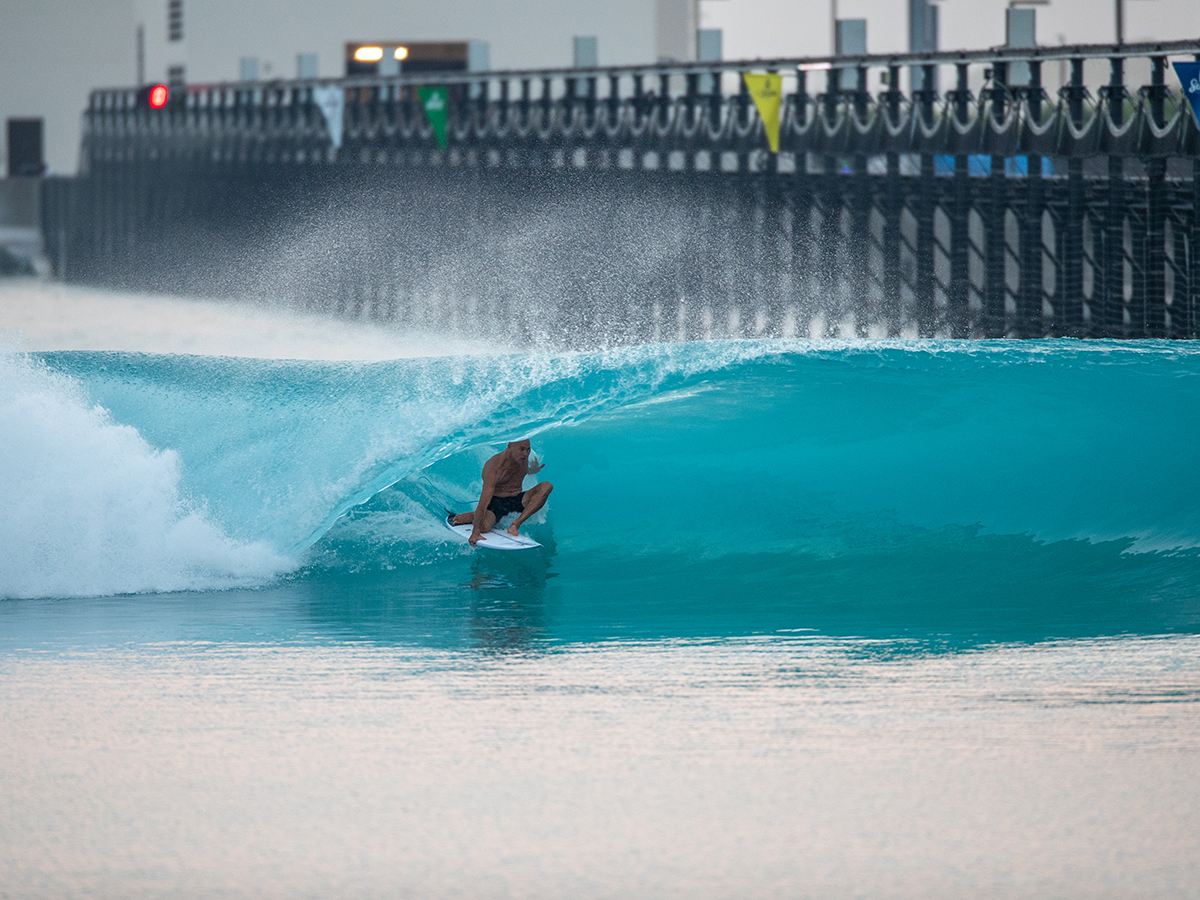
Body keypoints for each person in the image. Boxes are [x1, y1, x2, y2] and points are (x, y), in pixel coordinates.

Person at [448, 439, 553, 546]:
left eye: (528, 449)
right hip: (496, 503)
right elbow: (483, 502)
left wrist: (534, 470)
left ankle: (515, 524)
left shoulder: (522, 458)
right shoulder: (495, 468)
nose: (525, 454)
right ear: (509, 446)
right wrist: (475, 531)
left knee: (546, 486)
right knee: (485, 527)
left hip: (517, 499)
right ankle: (471, 516)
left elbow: (521, 472)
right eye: (522, 449)